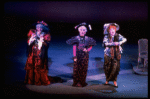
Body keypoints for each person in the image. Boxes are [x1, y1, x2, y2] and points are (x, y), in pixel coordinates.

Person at [66, 22, 96, 87]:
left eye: (84, 30)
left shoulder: (88, 39)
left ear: (86, 31)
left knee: (83, 69)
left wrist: (87, 50)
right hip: (77, 55)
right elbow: (74, 47)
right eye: (81, 30)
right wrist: (74, 56)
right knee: (76, 69)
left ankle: (82, 82)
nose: (82, 31)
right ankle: (76, 82)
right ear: (79, 30)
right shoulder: (76, 38)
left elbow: (91, 46)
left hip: (85, 56)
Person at [24, 21, 51, 85]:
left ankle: (38, 80)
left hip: (40, 52)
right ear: (36, 27)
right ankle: (31, 80)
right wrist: (31, 39)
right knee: (31, 64)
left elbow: (47, 44)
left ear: (43, 28)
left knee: (39, 65)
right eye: (38, 27)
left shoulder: (46, 34)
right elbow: (28, 42)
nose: (39, 28)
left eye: (41, 27)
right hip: (33, 52)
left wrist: (41, 41)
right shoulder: (32, 32)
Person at [102, 23, 127, 87]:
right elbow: (106, 44)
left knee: (115, 68)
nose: (112, 30)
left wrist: (119, 43)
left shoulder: (118, 35)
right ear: (108, 30)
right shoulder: (106, 36)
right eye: (111, 29)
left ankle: (114, 81)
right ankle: (107, 80)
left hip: (116, 54)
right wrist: (114, 43)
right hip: (108, 54)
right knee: (107, 67)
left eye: (114, 29)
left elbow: (125, 39)